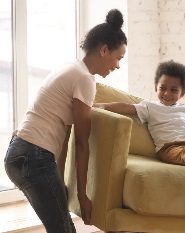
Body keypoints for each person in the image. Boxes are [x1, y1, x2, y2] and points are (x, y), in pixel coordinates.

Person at [4, 9, 127, 233]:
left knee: (60, 227)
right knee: (63, 229)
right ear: (104, 50)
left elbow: (65, 134)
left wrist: (59, 179)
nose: (117, 65)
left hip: (17, 154)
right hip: (34, 157)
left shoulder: (70, 68)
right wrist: (82, 195)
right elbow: (82, 142)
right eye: (118, 58)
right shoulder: (84, 79)